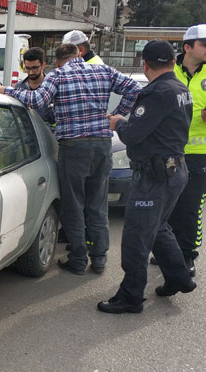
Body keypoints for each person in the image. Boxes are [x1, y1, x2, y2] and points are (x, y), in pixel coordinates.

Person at [0, 44, 142, 275]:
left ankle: (79, 260)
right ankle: (99, 258)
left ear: (57, 61)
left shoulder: (59, 75)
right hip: (102, 144)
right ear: (79, 55)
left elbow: (37, 99)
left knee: (74, 205)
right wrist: (112, 115)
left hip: (74, 147)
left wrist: (7, 91)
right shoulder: (103, 71)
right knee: (97, 205)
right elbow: (133, 88)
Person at [98, 39, 195, 314]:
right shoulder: (180, 88)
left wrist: (119, 123)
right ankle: (179, 278)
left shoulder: (157, 93)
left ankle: (130, 297)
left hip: (155, 177)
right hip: (175, 171)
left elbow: (134, 135)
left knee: (136, 237)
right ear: (173, 61)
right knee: (159, 229)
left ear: (145, 64)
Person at [153, 24, 206, 277]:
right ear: (188, 47)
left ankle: (186, 255)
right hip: (169, 151)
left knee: (190, 206)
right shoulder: (168, 70)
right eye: (204, 44)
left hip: (200, 154)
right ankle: (168, 250)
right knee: (167, 206)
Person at [15, 47, 56, 127]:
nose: (30, 72)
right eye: (27, 68)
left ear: (43, 65)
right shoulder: (19, 88)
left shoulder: (53, 87)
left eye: (34, 68)